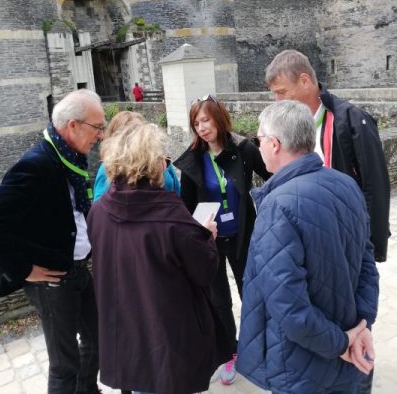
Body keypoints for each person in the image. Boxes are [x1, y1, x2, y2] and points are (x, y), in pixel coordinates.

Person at [236, 100, 380, 394]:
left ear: (274, 144)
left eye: (259, 139)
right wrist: (361, 327)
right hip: (348, 348)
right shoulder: (346, 184)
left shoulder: (278, 205)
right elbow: (368, 263)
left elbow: (288, 305)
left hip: (301, 364)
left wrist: (342, 343)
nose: (258, 146)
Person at [0, 89, 105, 394]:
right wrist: (23, 270)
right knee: (64, 364)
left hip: (78, 270)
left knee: (97, 340)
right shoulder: (36, 164)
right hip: (52, 280)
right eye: (97, 127)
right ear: (73, 126)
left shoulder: (69, 157)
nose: (100, 135)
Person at [87, 124, 230, 394]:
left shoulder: (99, 210)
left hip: (126, 328)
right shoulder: (171, 215)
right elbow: (205, 272)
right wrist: (207, 237)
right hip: (167, 333)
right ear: (151, 162)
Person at [173, 94, 270, 386]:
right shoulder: (194, 160)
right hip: (210, 242)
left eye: (205, 119)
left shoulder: (242, 149)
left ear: (218, 117)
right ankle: (230, 352)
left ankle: (258, 350)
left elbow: (273, 176)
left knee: (251, 296)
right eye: (196, 123)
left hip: (243, 237)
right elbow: (186, 206)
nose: (201, 127)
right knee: (218, 301)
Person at [265, 49, 390, 264]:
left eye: (282, 91)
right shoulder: (285, 126)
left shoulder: (352, 120)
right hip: (308, 237)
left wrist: (371, 245)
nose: (277, 101)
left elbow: (375, 185)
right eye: (274, 94)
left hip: (347, 237)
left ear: (304, 81)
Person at [93, 111, 180, 200]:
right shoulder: (108, 167)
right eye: (130, 133)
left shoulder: (160, 160)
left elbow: (178, 193)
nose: (137, 137)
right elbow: (100, 203)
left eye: (139, 130)